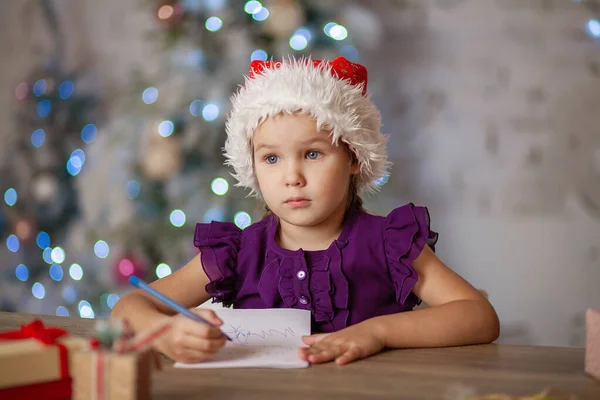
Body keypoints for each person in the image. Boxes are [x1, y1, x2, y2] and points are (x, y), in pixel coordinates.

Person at [111, 56, 500, 366]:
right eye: (272, 158)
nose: (292, 176)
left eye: (313, 153)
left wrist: (378, 332)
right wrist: (165, 333)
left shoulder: (389, 244)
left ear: (353, 158)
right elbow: (127, 308)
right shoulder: (239, 252)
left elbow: (478, 316)